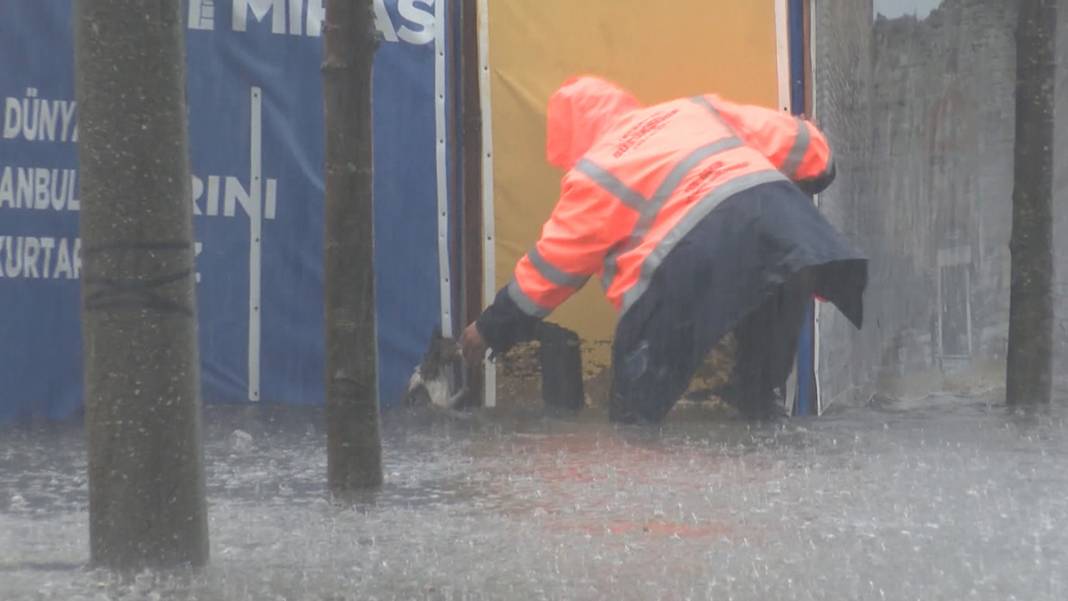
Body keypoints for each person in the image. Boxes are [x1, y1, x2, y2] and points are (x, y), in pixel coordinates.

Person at [461, 75, 867, 423]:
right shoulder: (694, 111)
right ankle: (769, 464)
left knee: (635, 423)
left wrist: (487, 330)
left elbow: (548, 274)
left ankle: (643, 482)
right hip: (787, 237)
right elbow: (810, 150)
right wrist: (817, 151)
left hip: (686, 269)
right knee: (760, 403)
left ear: (569, 144)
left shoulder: (595, 172)